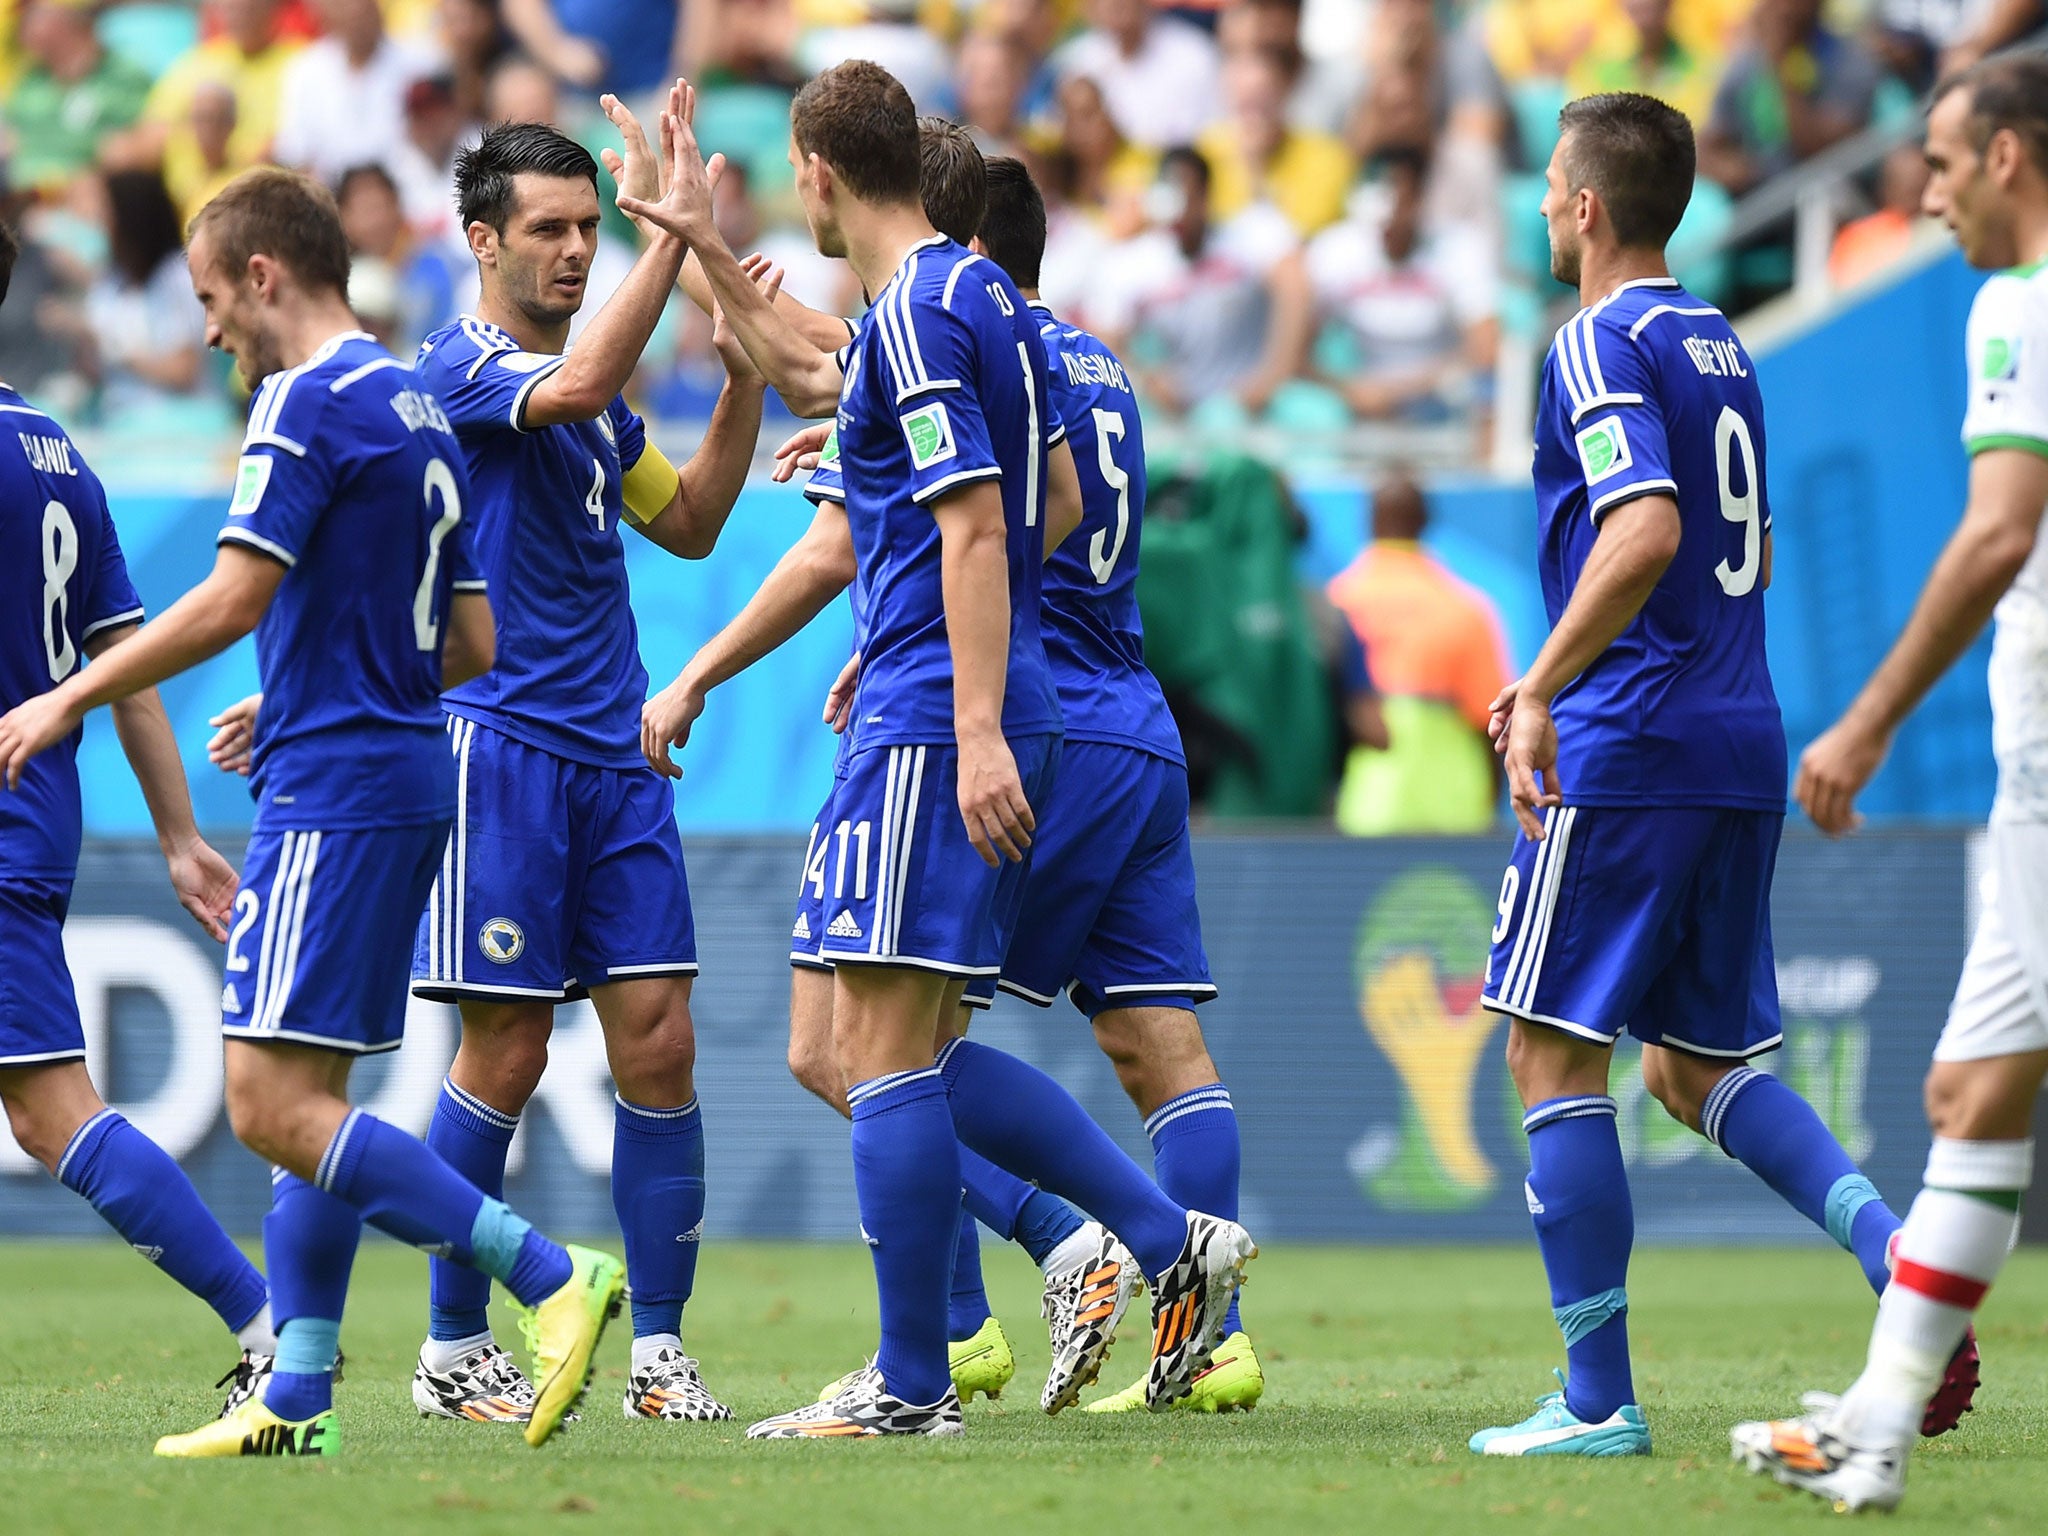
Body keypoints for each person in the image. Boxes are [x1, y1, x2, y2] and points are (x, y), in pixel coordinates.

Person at [620, 59, 1256, 1439]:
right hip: (989, 685)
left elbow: (976, 521)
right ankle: (1149, 1249)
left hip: (938, 717)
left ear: (827, 179)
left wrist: (970, 717)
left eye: (800, 179)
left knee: (885, 1048)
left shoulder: (916, 313)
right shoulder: (1000, 313)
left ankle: (929, 1369)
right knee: (878, 1036)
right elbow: (1057, 496)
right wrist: (693, 240)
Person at [0, 166, 622, 1458]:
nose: (211, 329)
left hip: (335, 794)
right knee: (314, 1100)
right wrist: (296, 699)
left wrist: (67, 702)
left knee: (270, 1106)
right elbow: (471, 638)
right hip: (401, 772)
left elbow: (229, 600)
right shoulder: (415, 401)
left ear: (266, 275)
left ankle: (550, 1276)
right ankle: (297, 1393)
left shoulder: (306, 398)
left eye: (216, 299)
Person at [1469, 91, 1973, 1460]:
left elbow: (1643, 528)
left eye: (1548, 190)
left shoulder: (1592, 341)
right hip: (1739, 725)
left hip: (1634, 736)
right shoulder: (1721, 344)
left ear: (1583, 205)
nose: (1537, 210)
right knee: (1696, 1070)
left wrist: (1542, 688)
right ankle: (1899, 1254)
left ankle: (1595, 1403)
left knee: (1549, 1051)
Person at [404, 97, 761, 1426]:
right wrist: (676, 239)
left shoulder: (600, 414)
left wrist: (741, 376)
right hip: (499, 749)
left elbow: (699, 521)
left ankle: (660, 1358)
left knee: (660, 1046)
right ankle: (452, 1352)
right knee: (502, 1056)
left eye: (587, 230)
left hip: (614, 759)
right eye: (548, 230)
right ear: (484, 241)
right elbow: (584, 383)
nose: (574, 251)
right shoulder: (460, 367)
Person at [1733, 55, 2048, 1513]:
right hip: (2025, 779)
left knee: (1977, 1089)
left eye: (1938, 160)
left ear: (2009, 157)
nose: (1921, 195)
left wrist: (1860, 723)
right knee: (1967, 1090)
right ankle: (1876, 1422)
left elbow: (1995, 539)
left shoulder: (2020, 305)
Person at [0, 214, 279, 1422]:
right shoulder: (57, 449)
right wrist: (175, 833)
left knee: (54, 1110)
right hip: (43, 814)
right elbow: (129, 664)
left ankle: (267, 1328)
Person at [1325, 472, 1510, 835]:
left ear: (1369, 521)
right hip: (1452, 812)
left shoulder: (1334, 603)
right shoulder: (1463, 608)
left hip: (1357, 811)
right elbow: (1492, 724)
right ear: (1426, 521)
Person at [1091, 146, 1311, 416]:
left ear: (1206, 197)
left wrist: (1274, 375)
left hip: (1246, 401)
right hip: (1174, 407)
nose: (1181, 211)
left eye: (1189, 196)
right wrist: (1145, 378)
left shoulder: (1246, 237)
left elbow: (1295, 287)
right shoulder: (1131, 262)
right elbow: (1104, 338)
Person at [1698, 0, 1882, 197]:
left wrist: (1779, 63)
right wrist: (1729, 169)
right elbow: (1707, 145)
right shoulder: (1747, 64)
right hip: (1758, 204)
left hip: (1823, 202)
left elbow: (1820, 151)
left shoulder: (1850, 61)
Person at [271, 0, 441, 186]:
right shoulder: (305, 70)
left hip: (411, 194)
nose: (356, 11)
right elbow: (296, 155)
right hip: (334, 198)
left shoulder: (422, 60)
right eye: (344, 5)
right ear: (325, 15)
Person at [2, 0, 156, 196]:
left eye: (33, 14)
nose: (20, 24)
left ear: (69, 17)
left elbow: (142, 141)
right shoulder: (29, 81)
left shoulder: (123, 74)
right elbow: (11, 141)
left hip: (96, 197)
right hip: (23, 198)